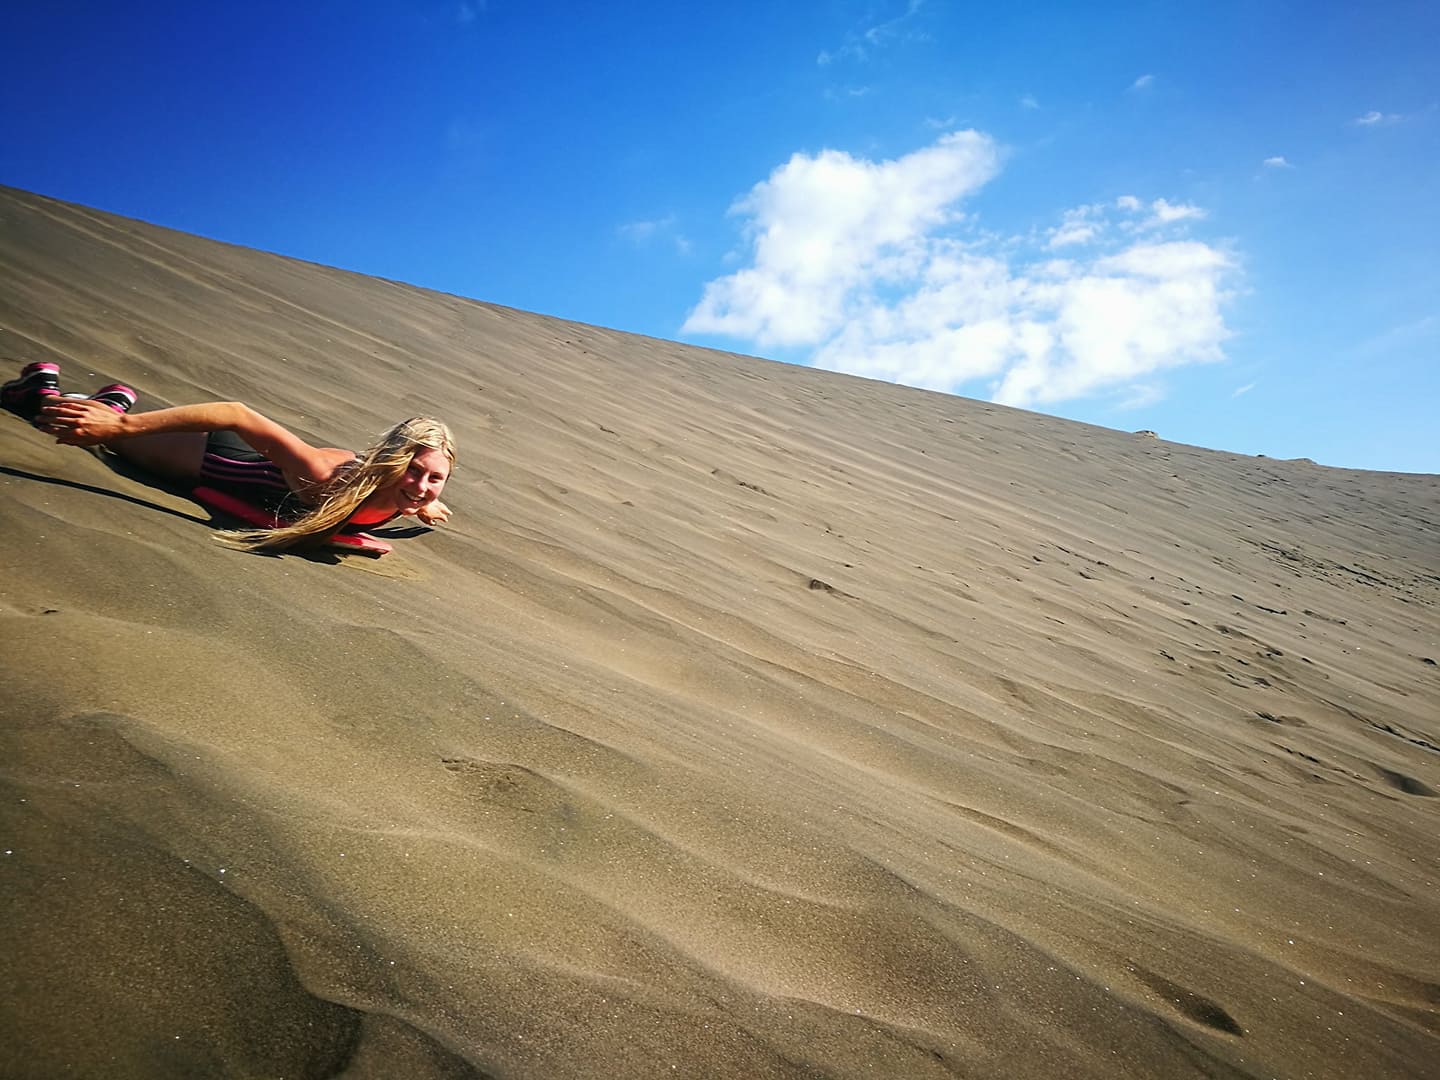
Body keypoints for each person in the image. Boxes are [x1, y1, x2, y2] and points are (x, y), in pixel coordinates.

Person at [3, 360, 455, 553]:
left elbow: (411, 490)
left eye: (434, 479)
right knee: (91, 433)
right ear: (390, 464)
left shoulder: (407, 495)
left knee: (106, 428)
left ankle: (115, 401)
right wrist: (119, 429)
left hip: (225, 464)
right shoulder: (326, 477)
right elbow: (236, 414)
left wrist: (423, 501)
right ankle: (39, 389)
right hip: (211, 458)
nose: (421, 485)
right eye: (413, 472)